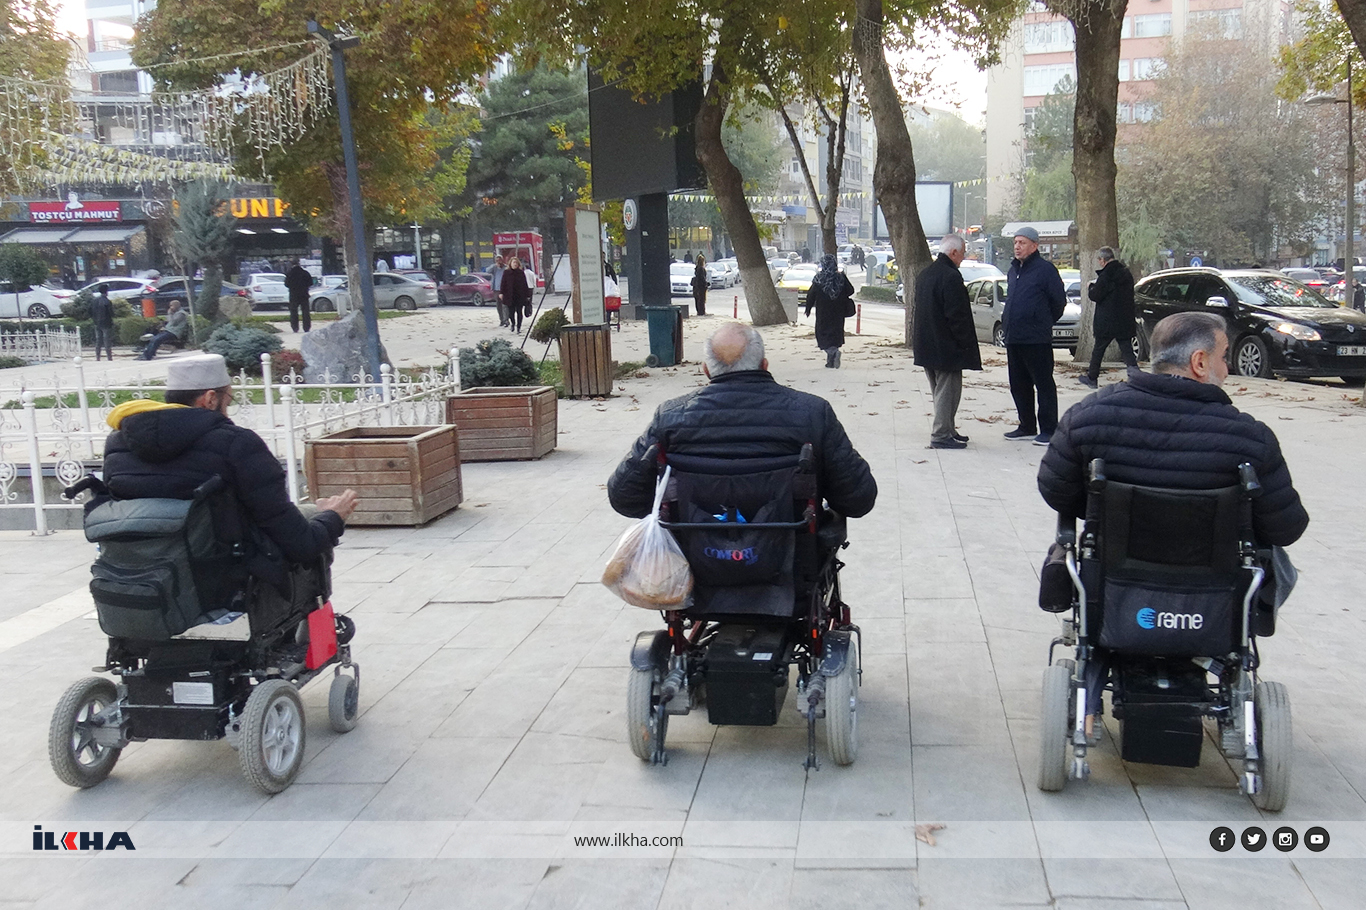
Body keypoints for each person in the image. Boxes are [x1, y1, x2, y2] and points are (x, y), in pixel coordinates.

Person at [1038, 311, 1308, 723]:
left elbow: (1055, 490)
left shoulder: (1088, 417)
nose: (1227, 368)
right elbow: (1287, 527)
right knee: (1277, 561)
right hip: (1211, 597)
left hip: (1114, 587)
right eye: (1223, 357)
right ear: (1199, 362)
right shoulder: (1250, 438)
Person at [101, 353, 358, 575]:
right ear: (210, 399)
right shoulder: (238, 444)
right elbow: (300, 544)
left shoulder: (118, 442)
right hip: (225, 582)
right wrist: (333, 517)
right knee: (313, 520)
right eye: (229, 401)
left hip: (137, 574)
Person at [607, 323, 877, 520]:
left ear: (706, 371)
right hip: (793, 564)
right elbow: (858, 499)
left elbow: (624, 498)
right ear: (764, 365)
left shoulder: (670, 417)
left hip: (693, 565)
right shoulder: (813, 413)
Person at [912, 235, 981, 448]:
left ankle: (948, 429)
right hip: (946, 346)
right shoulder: (950, 276)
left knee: (939, 391)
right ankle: (941, 434)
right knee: (947, 392)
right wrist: (966, 343)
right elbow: (957, 315)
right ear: (953, 253)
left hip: (927, 344)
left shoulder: (925, 274)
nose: (963, 258)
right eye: (962, 253)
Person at [1003, 226, 1066, 445]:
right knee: (1018, 384)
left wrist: (1042, 321)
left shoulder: (1045, 270)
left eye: (1022, 243)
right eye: (1015, 242)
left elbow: (1058, 302)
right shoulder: (1013, 270)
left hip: (1036, 338)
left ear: (1034, 246)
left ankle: (1048, 429)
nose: (1017, 247)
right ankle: (1026, 425)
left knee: (1043, 384)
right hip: (1014, 337)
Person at [1080, 247, 1137, 388]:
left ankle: (1092, 378)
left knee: (1099, 350)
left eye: (1099, 260)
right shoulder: (1126, 274)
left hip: (1107, 320)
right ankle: (1136, 378)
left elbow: (1096, 295)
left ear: (1103, 260)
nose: (1099, 263)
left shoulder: (1106, 275)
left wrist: (1091, 287)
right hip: (1124, 318)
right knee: (1127, 350)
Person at [804, 253, 856, 368]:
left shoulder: (819, 278)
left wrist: (808, 308)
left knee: (822, 335)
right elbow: (851, 290)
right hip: (838, 312)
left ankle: (833, 353)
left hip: (823, 312)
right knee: (835, 335)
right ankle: (831, 361)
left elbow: (811, 294)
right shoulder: (841, 277)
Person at [500, 255, 531, 333]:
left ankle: (519, 327)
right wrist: (501, 293)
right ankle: (513, 323)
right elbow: (503, 283)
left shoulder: (521, 273)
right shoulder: (506, 272)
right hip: (510, 295)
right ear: (510, 264)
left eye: (516, 263)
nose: (515, 264)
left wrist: (527, 295)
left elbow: (525, 284)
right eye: (514, 262)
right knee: (511, 313)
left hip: (519, 295)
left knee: (519, 312)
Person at [283, 259, 313, 334]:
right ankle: (306, 327)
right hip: (304, 294)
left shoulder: (290, 273)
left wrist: (293, 287)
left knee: (293, 311)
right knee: (305, 311)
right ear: (299, 264)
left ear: (291, 264)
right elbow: (310, 282)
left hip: (293, 295)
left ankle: (295, 327)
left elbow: (286, 284)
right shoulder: (305, 273)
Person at [90, 283, 115, 362]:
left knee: (98, 341)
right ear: (106, 292)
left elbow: (90, 311)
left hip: (97, 323)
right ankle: (109, 357)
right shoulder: (107, 302)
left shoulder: (95, 301)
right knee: (107, 340)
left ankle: (98, 357)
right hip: (106, 323)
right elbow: (111, 313)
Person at [489, 255, 508, 326]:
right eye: (497, 260)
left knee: (504, 305)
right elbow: (487, 271)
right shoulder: (494, 268)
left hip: (504, 289)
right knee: (498, 305)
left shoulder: (505, 268)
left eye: (499, 260)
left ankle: (506, 320)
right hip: (496, 289)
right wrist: (494, 265)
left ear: (502, 260)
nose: (498, 262)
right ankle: (501, 320)